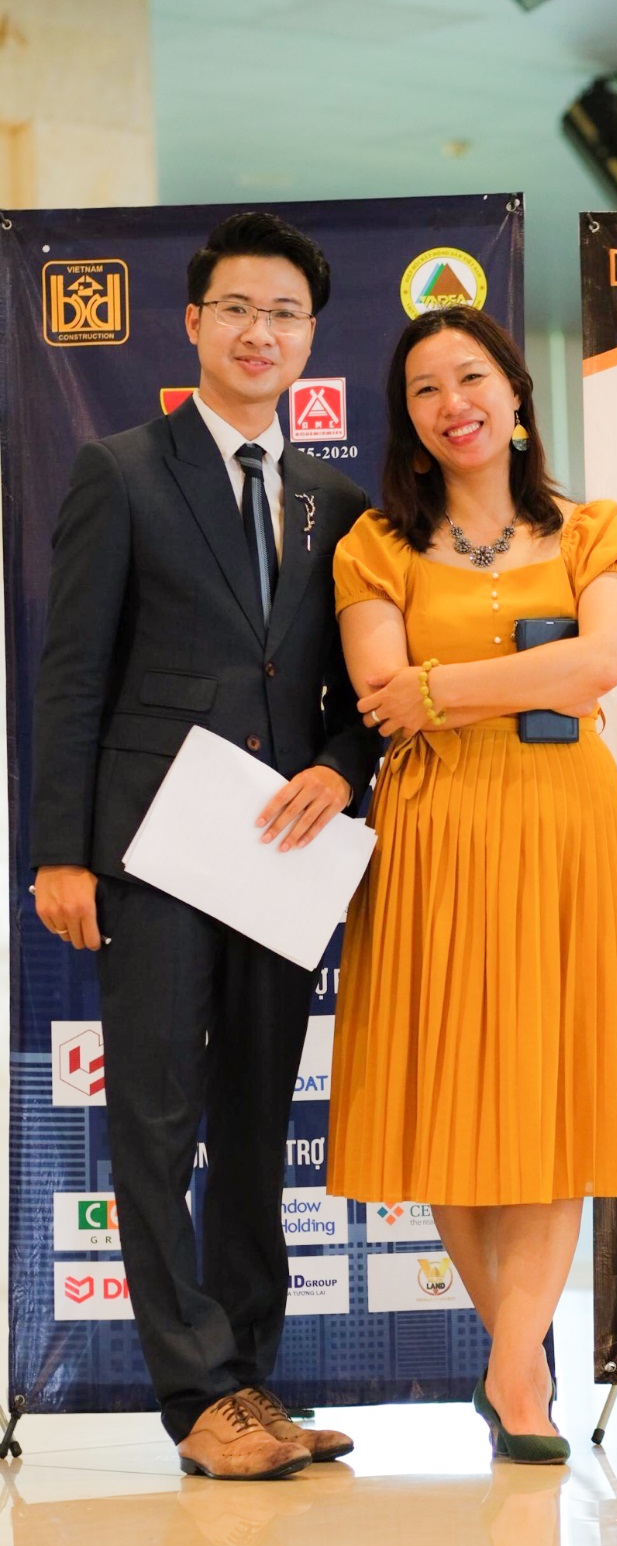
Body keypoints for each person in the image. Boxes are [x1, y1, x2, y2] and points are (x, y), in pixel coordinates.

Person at [31, 211, 381, 1479]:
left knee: (253, 1123)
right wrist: (60, 851)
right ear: (192, 324)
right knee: (158, 1119)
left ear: (309, 337)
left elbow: (356, 693)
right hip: (156, 852)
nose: (259, 332)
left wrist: (341, 768)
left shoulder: (336, 501)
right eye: (237, 308)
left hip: (280, 854)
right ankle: (196, 1400)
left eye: (284, 314)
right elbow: (72, 675)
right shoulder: (120, 470)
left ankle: (250, 1383)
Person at [327, 306, 617, 1463]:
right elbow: (379, 693)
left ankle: (510, 1369)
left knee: (549, 1095)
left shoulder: (597, 529)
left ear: (517, 394)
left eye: (471, 377)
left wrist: (440, 688)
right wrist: (510, 679)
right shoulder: (375, 545)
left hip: (565, 826)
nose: (453, 404)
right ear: (409, 421)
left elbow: (602, 664)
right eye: (425, 389)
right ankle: (520, 1364)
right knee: (455, 1101)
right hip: (436, 831)